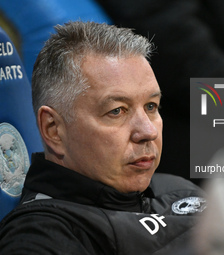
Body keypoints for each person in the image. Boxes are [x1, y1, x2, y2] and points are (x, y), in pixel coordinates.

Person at [0, 21, 205, 255]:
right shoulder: (42, 235)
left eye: (151, 106)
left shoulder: (178, 188)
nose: (148, 132)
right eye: (117, 111)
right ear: (53, 129)